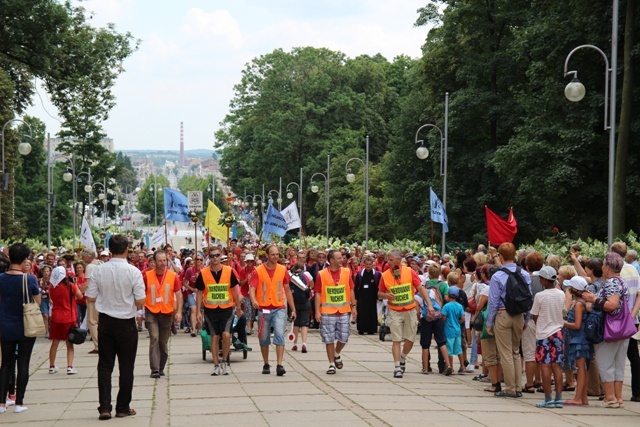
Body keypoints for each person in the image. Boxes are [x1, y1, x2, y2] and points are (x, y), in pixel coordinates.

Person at [85, 234, 146, 420]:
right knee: (126, 367)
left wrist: (108, 297)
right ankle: (122, 407)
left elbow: (90, 297)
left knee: (105, 365)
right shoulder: (133, 271)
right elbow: (141, 302)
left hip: (105, 322)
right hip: (126, 323)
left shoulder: (98, 270)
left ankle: (104, 407)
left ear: (109, 250)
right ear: (127, 249)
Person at [582, 252, 632, 408]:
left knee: (605, 363)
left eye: (604, 264)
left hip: (609, 329)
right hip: (623, 329)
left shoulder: (611, 283)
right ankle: (618, 398)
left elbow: (612, 305)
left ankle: (610, 397)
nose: (602, 266)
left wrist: (593, 299)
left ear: (608, 267)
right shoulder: (622, 282)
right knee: (618, 364)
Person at [486, 243, 532, 398]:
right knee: (515, 352)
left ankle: (510, 388)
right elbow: (529, 298)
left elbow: (493, 301)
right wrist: (527, 319)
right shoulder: (524, 274)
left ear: (500, 256)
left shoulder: (497, 276)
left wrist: (489, 322)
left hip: (503, 314)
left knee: (505, 353)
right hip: (519, 315)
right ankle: (518, 386)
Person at [0, 243, 41, 414]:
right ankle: (19, 402)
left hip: (5, 325)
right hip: (25, 326)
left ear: (9, 257)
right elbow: (37, 302)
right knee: (23, 363)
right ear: (25, 259)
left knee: (6, 364)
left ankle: (1, 403)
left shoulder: (1, 278)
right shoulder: (29, 279)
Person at [378, 249, 432, 378]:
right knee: (396, 339)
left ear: (398, 260)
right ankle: (397, 366)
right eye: (388, 259)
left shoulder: (409, 272)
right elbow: (379, 293)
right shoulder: (385, 275)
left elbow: (421, 288)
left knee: (410, 339)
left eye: (391, 260)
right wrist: (386, 295)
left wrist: (429, 304)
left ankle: (403, 357)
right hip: (394, 311)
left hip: (410, 310)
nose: (388, 262)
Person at [250, 244, 296, 376]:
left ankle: (279, 364)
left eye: (277, 254)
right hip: (263, 309)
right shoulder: (258, 270)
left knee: (280, 334)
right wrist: (254, 301)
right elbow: (252, 288)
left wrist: (293, 308)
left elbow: (287, 290)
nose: (275, 257)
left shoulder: (283, 270)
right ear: (267, 256)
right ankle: (266, 363)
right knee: (264, 337)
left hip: (279, 308)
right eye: (273, 254)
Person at [195, 247, 243, 376]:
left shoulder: (229, 271)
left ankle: (224, 362)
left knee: (226, 335)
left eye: (217, 255)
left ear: (221, 255)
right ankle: (216, 365)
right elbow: (199, 292)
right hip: (210, 310)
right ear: (208, 258)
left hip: (226, 309)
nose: (214, 258)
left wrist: (238, 308)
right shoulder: (203, 273)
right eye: (212, 256)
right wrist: (198, 311)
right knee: (214, 337)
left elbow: (234, 290)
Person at [315, 249, 356, 375]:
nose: (341, 260)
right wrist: (317, 311)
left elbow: (351, 289)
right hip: (327, 311)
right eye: (339, 258)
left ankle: (336, 354)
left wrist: (353, 306)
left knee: (344, 337)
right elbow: (317, 293)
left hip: (343, 310)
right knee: (329, 339)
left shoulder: (346, 272)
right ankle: (331, 364)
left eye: (342, 257)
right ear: (331, 260)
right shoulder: (321, 274)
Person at [143, 250, 183, 378]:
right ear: (154, 262)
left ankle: (161, 367)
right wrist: (139, 309)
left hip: (166, 312)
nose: (162, 263)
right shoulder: (147, 276)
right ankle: (154, 369)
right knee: (154, 337)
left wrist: (179, 312)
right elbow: (141, 293)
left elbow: (178, 294)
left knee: (163, 342)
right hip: (151, 311)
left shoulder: (172, 276)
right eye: (159, 261)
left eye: (164, 260)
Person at [530, 266, 565, 408]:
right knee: (557, 366)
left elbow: (534, 315)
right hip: (558, 332)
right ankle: (559, 398)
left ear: (544, 280)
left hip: (543, 334)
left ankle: (548, 398)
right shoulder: (561, 294)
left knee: (545, 365)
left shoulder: (540, 296)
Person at [47, 266, 83, 375]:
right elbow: (80, 296)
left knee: (55, 342)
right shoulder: (70, 286)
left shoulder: (51, 288)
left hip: (56, 317)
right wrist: (75, 284)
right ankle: (69, 366)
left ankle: (52, 366)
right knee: (69, 343)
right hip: (69, 317)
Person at [563, 276, 592, 406]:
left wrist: (563, 323)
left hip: (579, 338)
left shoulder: (579, 304)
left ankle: (578, 398)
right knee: (582, 368)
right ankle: (583, 398)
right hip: (580, 338)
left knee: (580, 369)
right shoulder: (581, 303)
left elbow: (577, 325)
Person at [81, 248, 102, 355]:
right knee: (101, 321)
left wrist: (78, 293)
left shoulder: (90, 266)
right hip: (103, 296)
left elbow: (87, 283)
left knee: (92, 321)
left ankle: (98, 346)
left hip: (93, 297)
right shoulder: (101, 263)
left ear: (89, 256)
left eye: (83, 256)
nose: (82, 258)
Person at [289, 261, 313, 352]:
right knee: (304, 324)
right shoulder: (307, 274)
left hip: (295, 302)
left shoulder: (291, 275)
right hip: (305, 302)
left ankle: (295, 344)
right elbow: (312, 285)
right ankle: (304, 343)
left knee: (296, 323)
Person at [354, 255, 381, 335]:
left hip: (372, 297)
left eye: (370, 264)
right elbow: (356, 287)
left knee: (371, 312)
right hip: (362, 297)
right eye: (367, 264)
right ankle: (361, 329)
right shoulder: (360, 274)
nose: (368, 266)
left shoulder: (376, 274)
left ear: (372, 264)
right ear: (364, 264)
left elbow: (378, 287)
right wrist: (355, 298)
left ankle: (371, 329)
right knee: (362, 313)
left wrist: (378, 297)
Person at [441, 286, 466, 373]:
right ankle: (462, 366)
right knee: (459, 349)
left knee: (449, 350)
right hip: (457, 330)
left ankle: (450, 367)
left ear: (448, 295)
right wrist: (458, 322)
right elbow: (463, 318)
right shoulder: (459, 306)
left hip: (448, 331)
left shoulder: (446, 306)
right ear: (457, 295)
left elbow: (443, 318)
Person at [38, 265, 52, 338]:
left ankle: (51, 330)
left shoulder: (52, 280)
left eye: (48, 271)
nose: (46, 273)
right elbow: (39, 290)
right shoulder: (39, 281)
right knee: (45, 315)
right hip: (43, 299)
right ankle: (47, 331)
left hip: (51, 299)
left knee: (51, 316)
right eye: (45, 271)